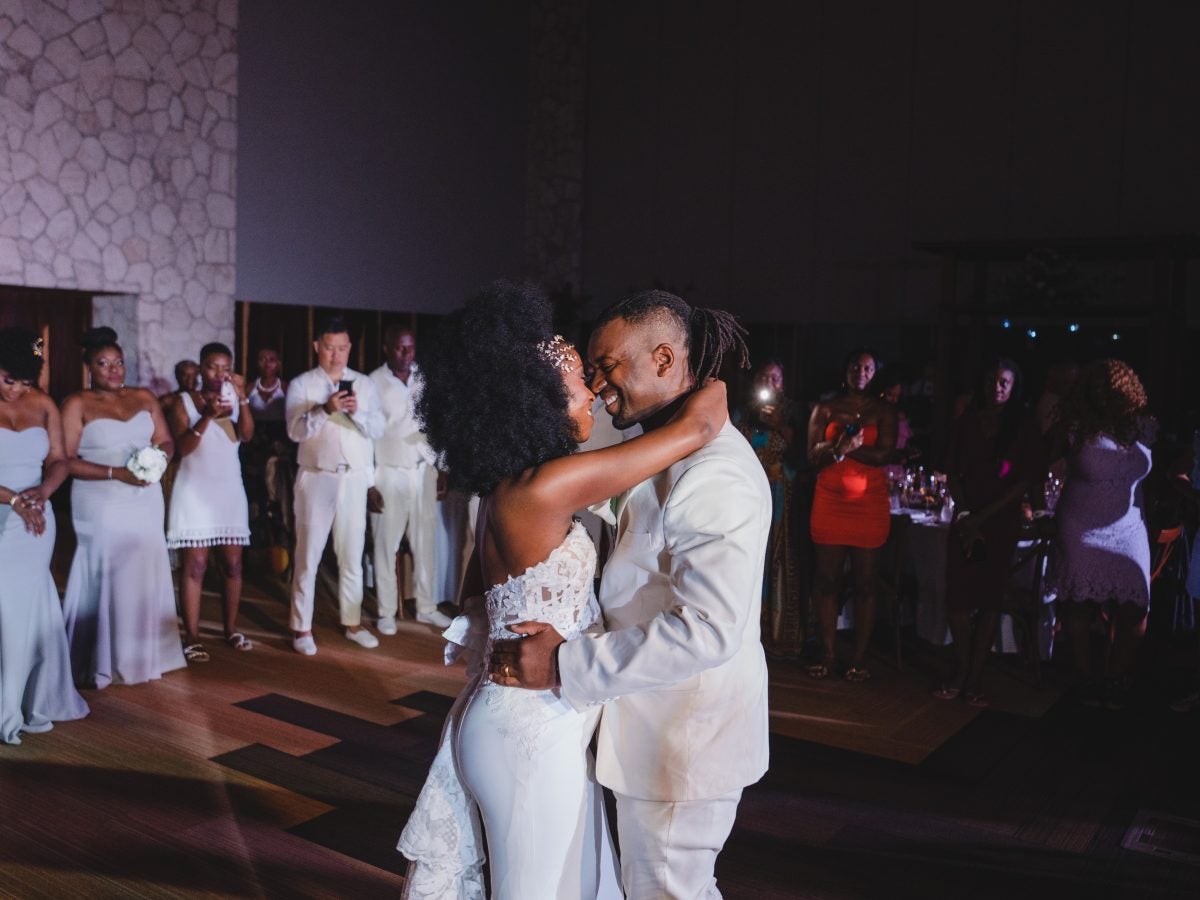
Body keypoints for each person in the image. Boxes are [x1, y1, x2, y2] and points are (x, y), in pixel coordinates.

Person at [497, 289, 771, 900]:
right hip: (642, 727)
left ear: (667, 359)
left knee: (667, 891)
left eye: (607, 366)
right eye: (588, 372)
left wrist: (566, 664)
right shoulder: (661, 443)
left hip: (684, 742)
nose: (596, 385)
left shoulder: (713, 471)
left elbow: (709, 629)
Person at [60, 327, 187, 688]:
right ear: (89, 368)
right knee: (109, 571)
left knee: (143, 569)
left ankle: (144, 655)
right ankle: (101, 659)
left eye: (118, 362)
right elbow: (65, 461)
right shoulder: (76, 404)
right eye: (104, 364)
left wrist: (157, 459)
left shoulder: (145, 397)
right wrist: (118, 472)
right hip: (100, 500)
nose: (114, 370)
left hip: (144, 497)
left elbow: (165, 440)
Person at [936, 357, 1044, 707]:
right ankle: (962, 666)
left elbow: (1023, 479)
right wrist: (966, 513)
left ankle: (974, 677)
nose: (996, 387)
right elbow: (952, 471)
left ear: (1014, 388)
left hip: (999, 521)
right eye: (992, 380)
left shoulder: (1022, 425)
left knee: (988, 601)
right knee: (957, 600)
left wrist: (982, 518)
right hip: (967, 520)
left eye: (1004, 382)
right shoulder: (967, 420)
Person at [0, 328, 89, 743]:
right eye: (7, 378)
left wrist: (45, 491)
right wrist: (12, 499)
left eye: (25, 381)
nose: (16, 389)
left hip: (33, 520)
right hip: (7, 508)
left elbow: (59, 459)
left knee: (15, 608)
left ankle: (10, 710)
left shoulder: (44, 405)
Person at [1053, 359, 1155, 710]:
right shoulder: (1075, 426)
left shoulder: (1143, 425)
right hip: (1082, 525)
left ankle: (1116, 675)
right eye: (1097, 388)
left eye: (1110, 388)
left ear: (1126, 391)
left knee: (1135, 608)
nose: (1103, 394)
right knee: (1079, 605)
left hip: (1129, 527)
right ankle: (1085, 678)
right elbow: (1042, 465)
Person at [285, 317, 384, 655]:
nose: (336, 354)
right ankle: (301, 627)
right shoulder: (302, 384)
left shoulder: (364, 384)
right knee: (308, 555)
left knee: (352, 555)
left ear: (350, 348)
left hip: (354, 478)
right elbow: (295, 432)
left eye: (342, 348)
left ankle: (352, 622)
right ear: (317, 347)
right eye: (329, 347)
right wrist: (324, 410)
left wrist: (357, 413)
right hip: (316, 476)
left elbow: (378, 430)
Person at [806, 349, 897, 681]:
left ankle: (858, 659)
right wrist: (837, 450)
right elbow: (811, 455)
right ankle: (828, 655)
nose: (861, 371)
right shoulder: (825, 408)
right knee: (826, 580)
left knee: (865, 583)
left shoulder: (884, 410)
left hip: (869, 503)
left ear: (875, 373)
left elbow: (885, 453)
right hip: (829, 501)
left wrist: (847, 449)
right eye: (855, 365)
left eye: (868, 367)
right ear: (846, 370)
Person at [166, 342, 255, 660]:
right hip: (195, 490)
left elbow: (247, 434)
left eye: (225, 367)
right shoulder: (184, 402)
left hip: (229, 490)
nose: (220, 374)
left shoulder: (234, 397)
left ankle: (231, 629)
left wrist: (243, 397)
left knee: (232, 565)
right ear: (201, 369)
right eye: (212, 367)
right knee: (197, 565)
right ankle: (192, 636)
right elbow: (183, 448)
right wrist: (206, 416)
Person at [368, 325, 448, 633]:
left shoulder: (423, 379)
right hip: (388, 470)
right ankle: (386, 609)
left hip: (422, 470)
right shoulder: (373, 383)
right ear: (387, 348)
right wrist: (368, 483)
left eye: (411, 348)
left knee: (425, 541)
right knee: (385, 544)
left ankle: (426, 607)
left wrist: (440, 467)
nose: (406, 354)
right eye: (400, 348)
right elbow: (366, 432)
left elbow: (434, 424)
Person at [735, 358, 805, 658]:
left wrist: (780, 425)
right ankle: (746, 628)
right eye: (763, 378)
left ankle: (779, 632)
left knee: (777, 558)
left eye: (775, 379)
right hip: (747, 495)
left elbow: (802, 455)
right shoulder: (743, 412)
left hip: (781, 498)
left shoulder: (793, 413)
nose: (768, 384)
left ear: (783, 384)